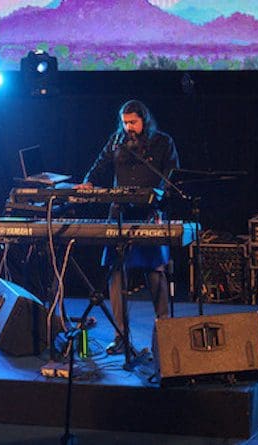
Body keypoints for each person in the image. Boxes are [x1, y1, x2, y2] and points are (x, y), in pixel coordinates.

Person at [76, 99, 179, 355]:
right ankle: (120, 335)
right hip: (119, 213)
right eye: (125, 122)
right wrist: (88, 182)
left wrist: (158, 195)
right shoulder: (116, 140)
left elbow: (172, 174)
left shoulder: (163, 142)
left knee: (155, 272)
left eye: (133, 122)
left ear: (144, 120)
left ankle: (164, 333)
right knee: (116, 272)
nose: (128, 127)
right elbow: (99, 165)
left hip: (149, 213)